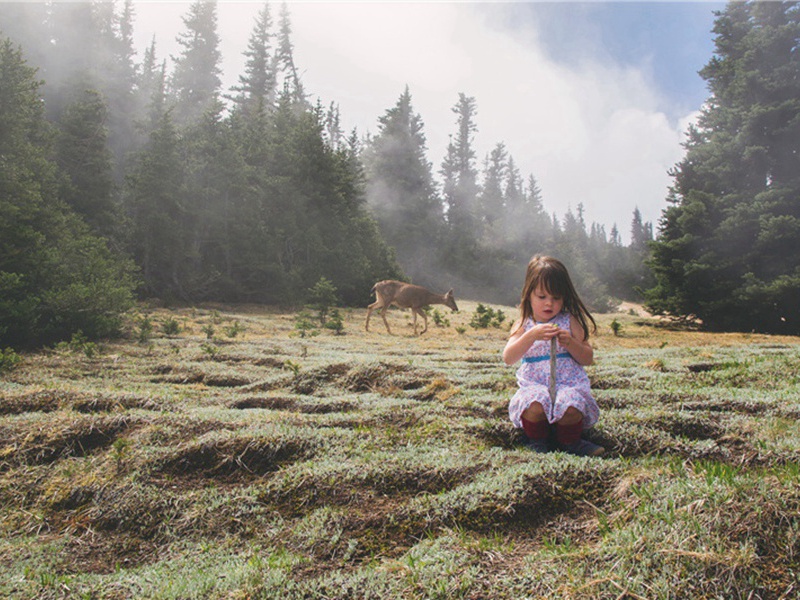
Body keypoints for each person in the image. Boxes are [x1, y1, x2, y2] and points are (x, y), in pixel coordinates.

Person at [502, 255, 604, 456]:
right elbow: (508, 357)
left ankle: (571, 442)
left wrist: (571, 343)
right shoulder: (524, 324)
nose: (549, 303)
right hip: (535, 384)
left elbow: (587, 358)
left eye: (556, 298)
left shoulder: (570, 320)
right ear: (529, 294)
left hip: (568, 384)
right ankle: (536, 441)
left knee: (571, 405)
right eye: (542, 297)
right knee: (535, 403)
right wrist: (531, 336)